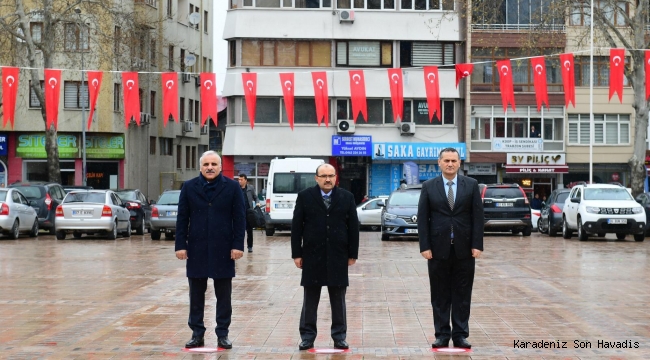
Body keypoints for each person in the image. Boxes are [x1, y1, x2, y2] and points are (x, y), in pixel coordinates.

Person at [175, 151, 246, 350]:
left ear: (220, 167)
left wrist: (238, 245)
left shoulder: (232, 187)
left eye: (214, 163)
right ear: (200, 167)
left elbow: (239, 219)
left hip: (224, 249)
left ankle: (223, 333)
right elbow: (182, 218)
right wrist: (180, 245)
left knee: (224, 296)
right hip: (196, 249)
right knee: (196, 295)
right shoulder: (189, 187)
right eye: (206, 164)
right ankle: (197, 333)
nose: (210, 167)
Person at [417, 147, 484, 350]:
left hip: (464, 249)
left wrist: (477, 244)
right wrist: (425, 246)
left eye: (454, 161)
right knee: (439, 294)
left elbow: (478, 217)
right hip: (437, 250)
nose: (450, 164)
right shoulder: (429, 186)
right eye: (446, 160)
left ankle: (461, 335)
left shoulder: (471, 185)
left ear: (459, 163)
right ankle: (442, 335)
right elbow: (423, 218)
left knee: (463, 294)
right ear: (439, 163)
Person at [291, 164, 359, 351]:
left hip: (338, 255)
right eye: (323, 176)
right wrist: (297, 253)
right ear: (316, 178)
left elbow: (353, 227)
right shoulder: (305, 197)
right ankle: (307, 336)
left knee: (338, 300)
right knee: (310, 299)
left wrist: (353, 254)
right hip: (312, 256)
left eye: (331, 176)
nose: (327, 179)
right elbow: (297, 227)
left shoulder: (347, 197)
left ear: (336, 177)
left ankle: (339, 337)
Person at [238, 173, 257, 253]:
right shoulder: (236, 188)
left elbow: (255, 197)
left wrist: (257, 203)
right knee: (239, 230)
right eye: (239, 179)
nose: (240, 181)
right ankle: (239, 246)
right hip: (239, 212)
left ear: (245, 180)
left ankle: (250, 246)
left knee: (249, 231)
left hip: (248, 212)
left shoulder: (250, 188)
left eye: (241, 180)